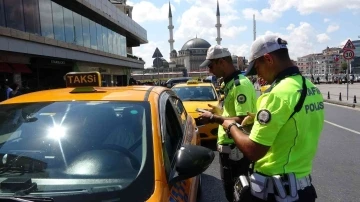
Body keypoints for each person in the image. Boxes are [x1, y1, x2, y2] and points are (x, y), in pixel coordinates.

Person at [222, 34, 324, 201]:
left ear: (268, 59)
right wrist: (258, 120)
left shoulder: (276, 95)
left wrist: (230, 126)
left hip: (276, 192)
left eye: (257, 68)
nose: (258, 76)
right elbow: (294, 123)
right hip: (303, 188)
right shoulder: (310, 88)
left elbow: (253, 151)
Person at [197, 45, 257, 202]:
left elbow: (243, 120)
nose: (209, 70)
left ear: (222, 62)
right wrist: (219, 112)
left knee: (237, 195)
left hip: (235, 149)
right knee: (231, 192)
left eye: (211, 65)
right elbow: (231, 115)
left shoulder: (239, 85)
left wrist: (213, 118)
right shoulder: (228, 84)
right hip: (229, 147)